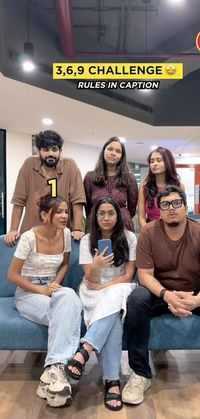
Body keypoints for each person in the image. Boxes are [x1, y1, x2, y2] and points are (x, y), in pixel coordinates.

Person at [122, 185, 200, 415]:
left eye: (176, 203)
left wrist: (195, 301)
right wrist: (166, 295)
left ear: (185, 207)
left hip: (197, 292)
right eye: (165, 205)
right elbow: (145, 276)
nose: (171, 208)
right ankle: (140, 374)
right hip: (160, 293)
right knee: (136, 299)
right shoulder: (149, 233)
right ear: (159, 210)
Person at [7, 195, 83, 408]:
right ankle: (58, 371)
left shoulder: (66, 233)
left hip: (51, 288)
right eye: (59, 212)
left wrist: (54, 286)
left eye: (66, 211)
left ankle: (50, 373)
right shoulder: (29, 237)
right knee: (67, 312)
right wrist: (41, 290)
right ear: (44, 215)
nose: (64, 216)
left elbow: (65, 265)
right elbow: (12, 275)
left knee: (70, 297)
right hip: (28, 292)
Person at [65, 197, 137, 411]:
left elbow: (128, 275)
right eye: (101, 213)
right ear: (95, 217)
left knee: (117, 294)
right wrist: (96, 265)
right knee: (113, 316)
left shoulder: (130, 238)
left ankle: (84, 349)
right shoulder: (88, 240)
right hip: (92, 289)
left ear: (118, 216)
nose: (106, 218)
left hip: (119, 288)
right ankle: (112, 381)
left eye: (111, 213)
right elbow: (92, 279)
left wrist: (108, 287)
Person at [5, 130, 86, 246]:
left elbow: (77, 201)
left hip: (60, 235)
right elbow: (18, 201)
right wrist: (13, 229)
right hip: (31, 232)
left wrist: (77, 229)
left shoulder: (70, 165)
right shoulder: (29, 164)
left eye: (54, 149)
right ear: (38, 151)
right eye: (46, 150)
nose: (51, 154)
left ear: (60, 151)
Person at [83, 137, 138, 232]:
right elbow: (88, 207)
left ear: (122, 156)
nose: (113, 153)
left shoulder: (129, 178)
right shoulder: (90, 177)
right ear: (104, 151)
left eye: (118, 151)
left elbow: (132, 209)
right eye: (110, 149)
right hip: (95, 227)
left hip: (122, 227)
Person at [138, 147, 184, 229]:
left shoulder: (179, 186)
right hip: (151, 230)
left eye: (159, 160)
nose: (154, 164)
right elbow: (141, 218)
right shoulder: (144, 187)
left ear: (168, 162)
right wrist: (147, 233)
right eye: (152, 161)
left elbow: (182, 214)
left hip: (173, 229)